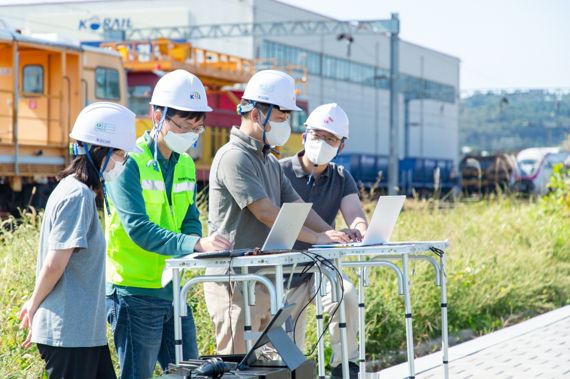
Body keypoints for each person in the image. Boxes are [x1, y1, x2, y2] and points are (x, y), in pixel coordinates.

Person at [204, 70, 353, 355]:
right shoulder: (235, 157)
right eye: (281, 119)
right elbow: (266, 212)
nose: (286, 126)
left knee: (275, 363)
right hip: (235, 281)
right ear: (258, 115)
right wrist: (318, 239)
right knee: (237, 362)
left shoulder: (268, 161)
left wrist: (330, 233)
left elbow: (297, 206)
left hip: (263, 278)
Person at [105, 69, 231, 379]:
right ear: (156, 115)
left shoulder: (185, 162)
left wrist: (195, 239)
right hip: (134, 291)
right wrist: (195, 244)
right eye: (183, 124)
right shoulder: (128, 162)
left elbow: (189, 216)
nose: (191, 133)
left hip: (174, 288)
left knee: (191, 373)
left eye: (197, 127)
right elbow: (138, 228)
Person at [18, 102, 139, 379]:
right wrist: (33, 305)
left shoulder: (75, 190)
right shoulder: (77, 195)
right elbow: (54, 263)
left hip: (84, 333)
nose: (123, 161)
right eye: (121, 154)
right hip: (68, 333)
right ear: (101, 150)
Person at [279, 103, 368, 379]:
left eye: (330, 139)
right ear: (304, 137)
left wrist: (358, 229)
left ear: (340, 146)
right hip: (284, 271)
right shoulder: (280, 171)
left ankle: (345, 366)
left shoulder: (341, 177)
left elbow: (355, 214)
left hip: (320, 266)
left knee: (347, 295)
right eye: (317, 135)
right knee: (288, 349)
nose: (322, 142)